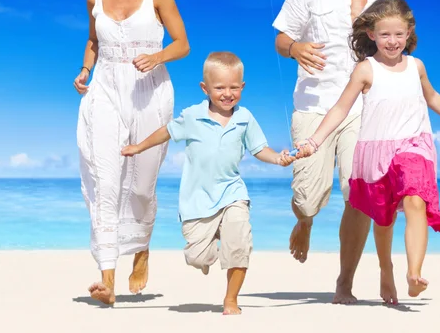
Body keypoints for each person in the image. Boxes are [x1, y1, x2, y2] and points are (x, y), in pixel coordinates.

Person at [295, 0, 440, 304]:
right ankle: (387, 268)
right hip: (376, 152)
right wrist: (314, 141)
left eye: (399, 34)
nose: (393, 41)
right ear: (371, 34)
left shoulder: (416, 66)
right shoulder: (365, 69)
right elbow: (340, 109)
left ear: (409, 33)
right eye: (385, 35)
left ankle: (414, 273)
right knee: (383, 220)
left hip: (415, 145)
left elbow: (432, 97)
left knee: (415, 200)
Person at [121, 52, 305, 315]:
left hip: (232, 194)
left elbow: (260, 149)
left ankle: (231, 299)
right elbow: (166, 132)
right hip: (196, 200)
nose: (227, 93)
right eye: (219, 88)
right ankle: (211, 246)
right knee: (196, 257)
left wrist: (278, 159)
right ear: (205, 88)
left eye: (233, 87)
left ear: (242, 87)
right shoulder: (193, 116)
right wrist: (139, 147)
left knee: (238, 246)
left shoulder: (245, 118)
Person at [272, 0, 396, 304]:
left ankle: (344, 283)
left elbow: (396, 56)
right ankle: (304, 220)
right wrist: (295, 49)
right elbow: (280, 38)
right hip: (314, 105)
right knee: (309, 197)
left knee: (358, 194)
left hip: (365, 109)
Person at [73, 0, 190, 306]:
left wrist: (157, 56)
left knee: (141, 185)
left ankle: (141, 248)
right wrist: (85, 70)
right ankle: (107, 276)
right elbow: (93, 40)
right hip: (105, 89)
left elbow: (182, 44)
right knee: (105, 180)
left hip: (150, 92)